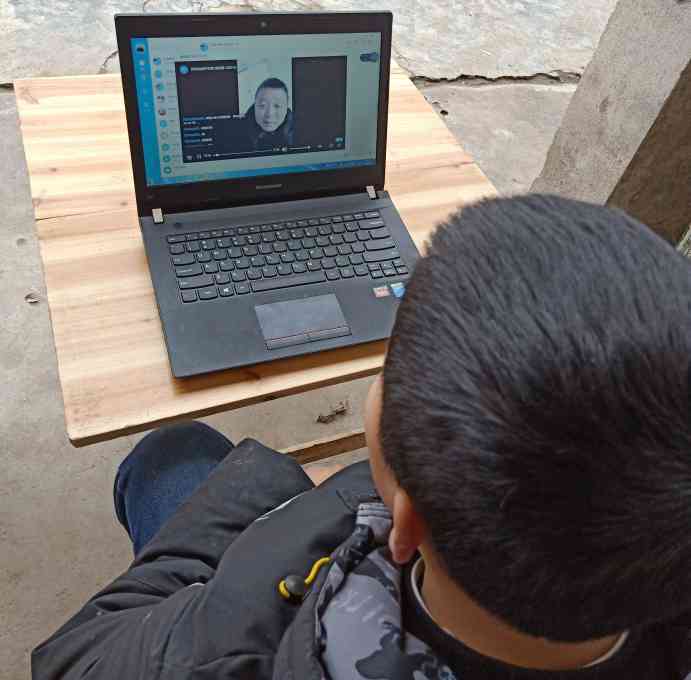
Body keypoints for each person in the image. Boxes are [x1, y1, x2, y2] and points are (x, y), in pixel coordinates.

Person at [32, 194, 691, 679]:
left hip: (248, 581)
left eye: (387, 370)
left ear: (406, 525)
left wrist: (292, 504)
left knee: (168, 455)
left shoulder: (233, 638)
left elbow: (72, 658)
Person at [244, 77, 294, 151]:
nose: (269, 114)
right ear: (255, 105)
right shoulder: (236, 134)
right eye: (262, 105)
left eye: (277, 106)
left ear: (286, 106)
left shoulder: (300, 133)